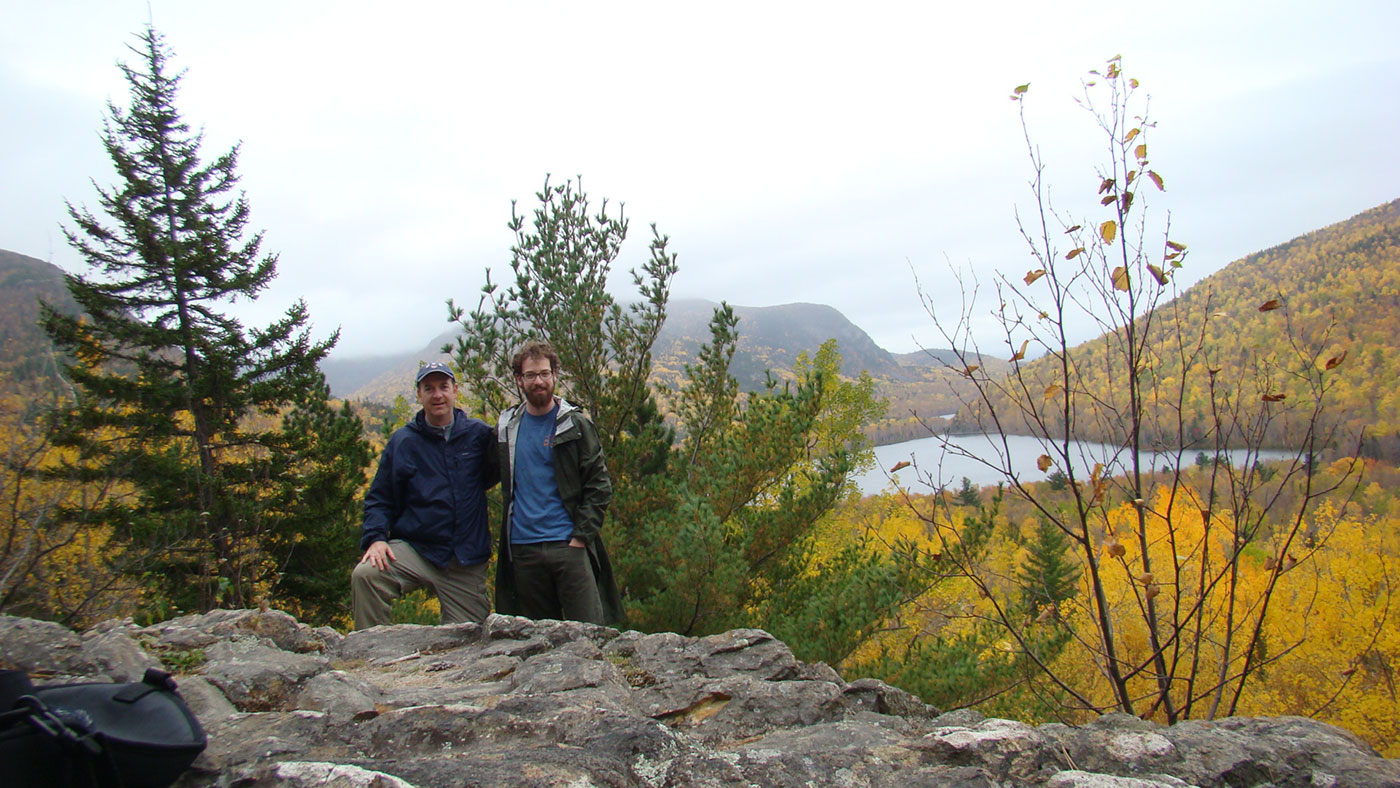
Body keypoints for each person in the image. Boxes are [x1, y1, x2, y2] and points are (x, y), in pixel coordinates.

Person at [351, 362, 499, 629]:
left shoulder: (478, 435)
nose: (437, 395)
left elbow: (500, 472)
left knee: (470, 641)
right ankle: (369, 651)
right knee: (367, 575)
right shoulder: (403, 442)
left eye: (443, 387)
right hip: (416, 550)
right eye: (428, 389)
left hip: (464, 558)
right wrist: (375, 538)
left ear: (455, 390)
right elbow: (380, 497)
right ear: (419, 395)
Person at [494, 340, 622, 625]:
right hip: (523, 548)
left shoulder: (574, 425)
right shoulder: (507, 428)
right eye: (530, 375)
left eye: (544, 373)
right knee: (536, 638)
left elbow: (599, 485)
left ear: (554, 376)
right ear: (519, 380)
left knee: (590, 632)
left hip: (568, 546)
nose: (538, 381)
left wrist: (580, 537)